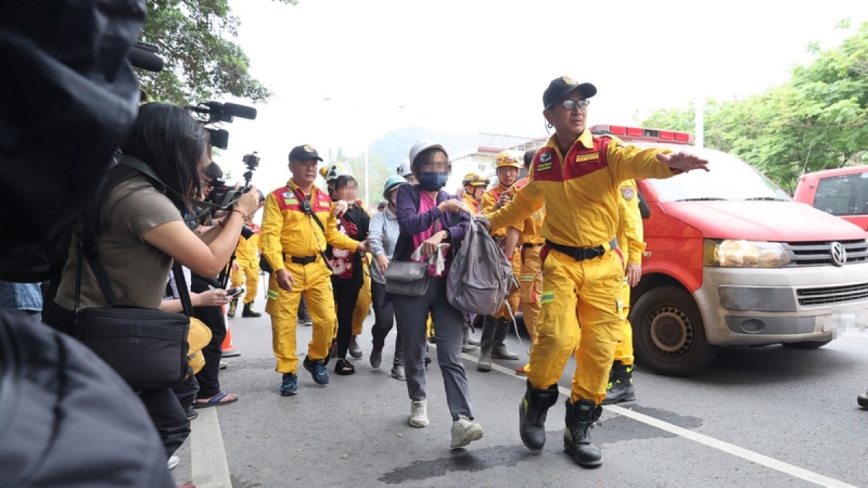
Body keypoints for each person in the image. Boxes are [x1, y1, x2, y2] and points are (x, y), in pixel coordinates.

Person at [483, 76, 709, 468]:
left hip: (605, 268)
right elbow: (525, 201)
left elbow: (637, 160)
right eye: (567, 103)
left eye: (583, 102)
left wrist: (668, 163)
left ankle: (579, 427)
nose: (578, 108)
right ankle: (535, 402)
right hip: (560, 266)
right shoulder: (544, 161)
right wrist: (486, 223)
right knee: (557, 336)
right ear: (548, 114)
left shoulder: (605, 151)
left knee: (601, 349)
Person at [44, 102, 260, 463]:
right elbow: (209, 261)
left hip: (90, 324)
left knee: (137, 421)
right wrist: (240, 212)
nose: (200, 167)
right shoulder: (141, 198)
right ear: (171, 148)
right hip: (103, 332)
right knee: (165, 424)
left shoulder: (123, 185)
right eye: (197, 156)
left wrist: (224, 222)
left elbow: (187, 248)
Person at [392, 139, 483, 449]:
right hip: (411, 283)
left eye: (442, 165)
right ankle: (418, 399)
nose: (436, 171)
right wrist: (440, 213)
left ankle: (462, 420)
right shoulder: (408, 193)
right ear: (417, 170)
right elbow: (407, 226)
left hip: (445, 286)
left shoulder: (450, 197)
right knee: (415, 347)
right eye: (430, 165)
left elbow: (468, 224)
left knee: (451, 354)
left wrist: (444, 231)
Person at [260, 144, 368, 396]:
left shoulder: (323, 199)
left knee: (328, 320)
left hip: (319, 269)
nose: (309, 167)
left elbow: (331, 234)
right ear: (291, 165)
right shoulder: (276, 197)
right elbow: (270, 238)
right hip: (287, 269)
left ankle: (316, 359)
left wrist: (357, 245)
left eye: (313, 163)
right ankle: (288, 372)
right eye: (303, 162)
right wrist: (278, 268)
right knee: (284, 324)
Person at [477, 150, 523, 371]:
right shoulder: (490, 195)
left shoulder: (523, 192)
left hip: (518, 253)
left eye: (512, 170)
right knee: (495, 299)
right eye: (504, 170)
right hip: (496, 251)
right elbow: (483, 221)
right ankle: (485, 350)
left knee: (513, 300)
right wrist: (497, 207)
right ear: (498, 172)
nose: (508, 174)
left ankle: (499, 344)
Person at [325, 174, 370, 375]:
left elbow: (371, 234)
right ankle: (321, 352)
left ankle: (341, 357)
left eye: (353, 187)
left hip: (351, 273)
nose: (350, 191)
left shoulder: (360, 213)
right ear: (334, 190)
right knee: (325, 317)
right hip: (324, 273)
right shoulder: (324, 208)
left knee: (345, 315)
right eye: (345, 188)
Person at [511, 148, 546, 376]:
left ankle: (539, 360)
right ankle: (548, 356)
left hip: (533, 256)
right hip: (555, 254)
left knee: (533, 304)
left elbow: (514, 225)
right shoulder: (558, 184)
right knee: (548, 304)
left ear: (525, 167)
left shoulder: (522, 188)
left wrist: (506, 257)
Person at [369, 176, 406, 380]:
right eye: (396, 192)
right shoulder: (379, 218)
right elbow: (374, 238)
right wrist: (380, 254)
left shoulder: (411, 217)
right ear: (389, 195)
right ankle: (378, 344)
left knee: (405, 322)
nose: (400, 196)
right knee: (384, 323)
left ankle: (399, 363)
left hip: (406, 277)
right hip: (382, 277)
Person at [229, 213, 263, 318]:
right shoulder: (238, 227)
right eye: (250, 214)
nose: (252, 216)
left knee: (253, 284)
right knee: (237, 281)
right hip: (239, 259)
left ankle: (248, 309)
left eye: (253, 214)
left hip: (253, 260)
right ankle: (233, 306)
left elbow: (261, 244)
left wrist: (263, 256)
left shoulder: (257, 228)